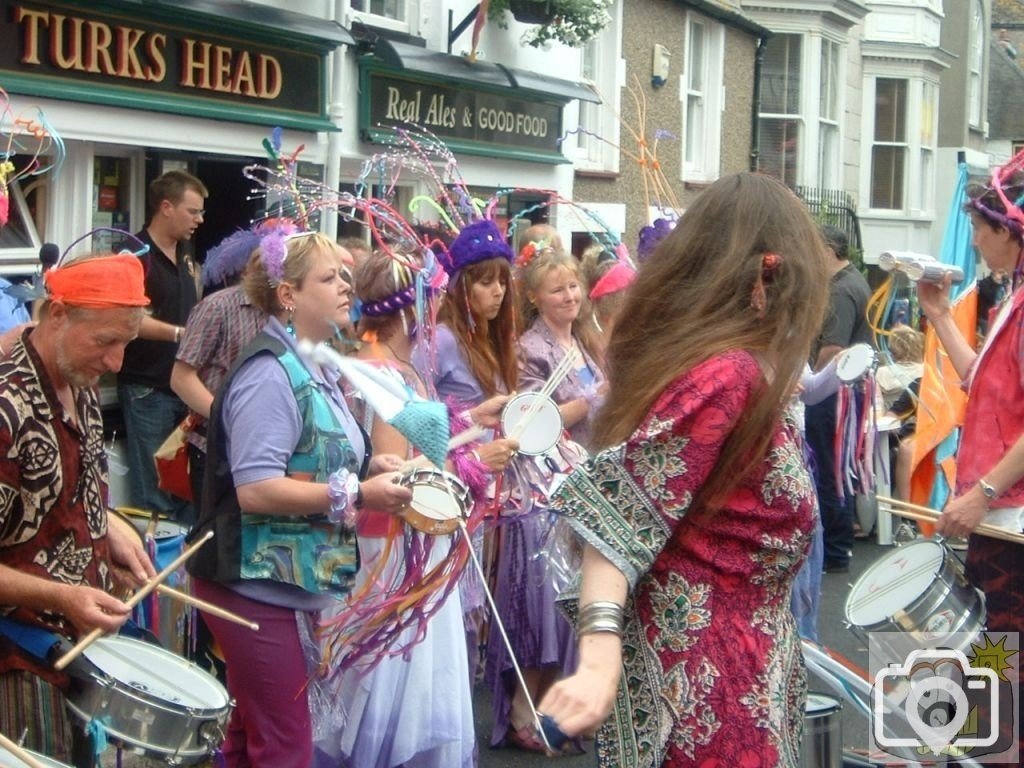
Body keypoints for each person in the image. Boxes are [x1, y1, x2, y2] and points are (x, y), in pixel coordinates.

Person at [537, 172, 830, 767]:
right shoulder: (728, 374)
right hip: (705, 687)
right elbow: (618, 510)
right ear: (765, 278)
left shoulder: (743, 369)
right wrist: (596, 659)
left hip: (739, 673)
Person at [186, 232, 412, 768]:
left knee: (251, 737)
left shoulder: (314, 363)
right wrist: (358, 490)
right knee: (285, 746)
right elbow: (257, 488)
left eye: (345, 276)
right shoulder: (270, 372)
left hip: (283, 584)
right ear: (288, 294)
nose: (345, 286)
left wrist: (367, 466)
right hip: (253, 585)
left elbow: (309, 453)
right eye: (329, 277)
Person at [0, 251, 157, 767]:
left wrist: (104, 524)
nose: (116, 362)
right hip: (16, 658)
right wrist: (63, 596)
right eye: (105, 341)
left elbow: (56, 488)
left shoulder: (79, 378)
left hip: (74, 643)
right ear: (59, 313)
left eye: (126, 344)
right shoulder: (6, 406)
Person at [323, 249, 476, 768]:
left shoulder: (377, 364)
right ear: (413, 309)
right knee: (390, 674)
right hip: (395, 542)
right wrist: (472, 466)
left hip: (390, 534)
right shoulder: (386, 374)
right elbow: (395, 470)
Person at [484, 246, 605, 751]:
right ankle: (520, 710)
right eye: (557, 289)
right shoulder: (529, 348)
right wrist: (592, 401)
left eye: (574, 286)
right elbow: (532, 424)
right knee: (539, 601)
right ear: (534, 297)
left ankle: (556, 708)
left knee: (571, 602)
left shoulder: (586, 342)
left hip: (580, 480)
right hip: (536, 486)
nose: (570, 296)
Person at [412, 218, 521, 689]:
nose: (497, 292)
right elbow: (417, 414)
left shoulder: (487, 339)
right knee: (449, 594)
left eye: (502, 281)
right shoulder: (442, 340)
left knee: (470, 598)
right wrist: (478, 419)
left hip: (482, 482)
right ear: (461, 286)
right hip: (452, 481)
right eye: (485, 281)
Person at [918, 169, 1024, 636]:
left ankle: (998, 713)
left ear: (1009, 230)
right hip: (1001, 508)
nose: (976, 241)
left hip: (1011, 514)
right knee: (995, 659)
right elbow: (981, 381)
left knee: (1003, 659)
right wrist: (939, 315)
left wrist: (982, 494)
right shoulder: (1014, 299)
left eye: (981, 230)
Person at [118, 170, 206, 520]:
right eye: (193, 211)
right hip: (148, 387)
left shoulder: (187, 256)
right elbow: (129, 318)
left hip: (183, 387)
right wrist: (181, 334)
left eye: (201, 212)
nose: (199, 220)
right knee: (154, 491)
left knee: (184, 485)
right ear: (166, 207)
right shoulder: (133, 254)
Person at [804, 224, 872, 573]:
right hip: (850, 393)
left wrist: (810, 383)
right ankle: (839, 543)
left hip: (836, 393)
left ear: (828, 250)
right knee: (838, 466)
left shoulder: (840, 290)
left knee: (829, 468)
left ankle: (835, 548)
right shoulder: (855, 280)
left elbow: (832, 349)